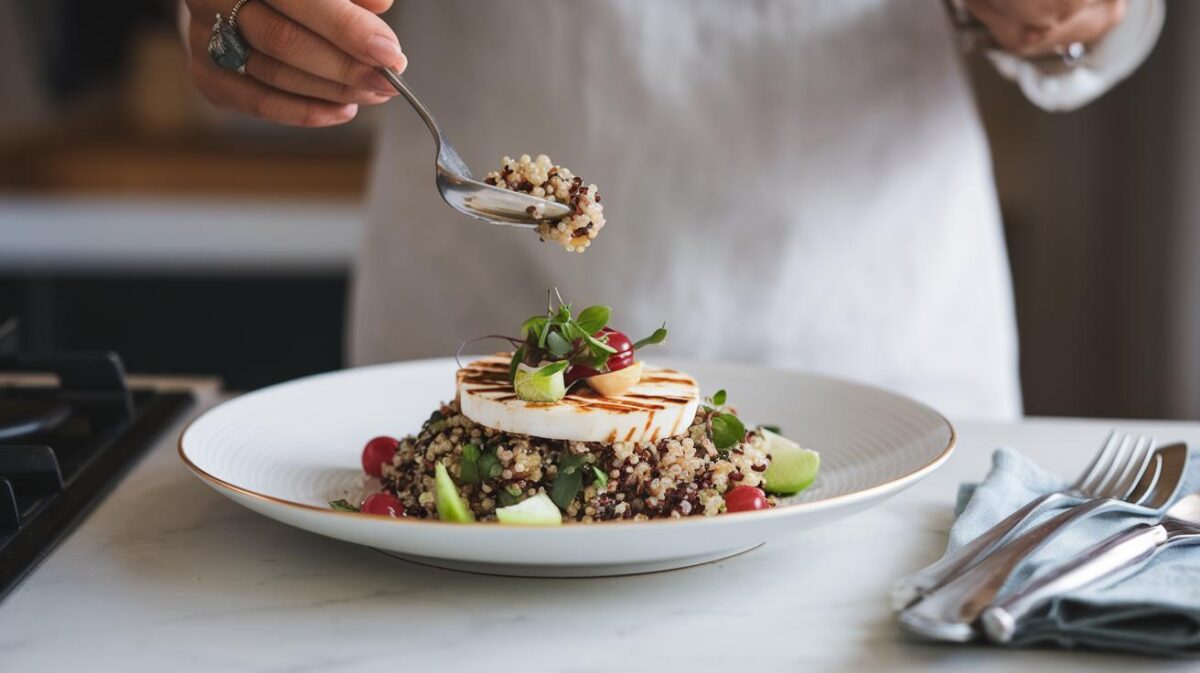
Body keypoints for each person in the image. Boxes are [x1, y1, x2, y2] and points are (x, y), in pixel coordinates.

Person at [181, 0, 1163, 420]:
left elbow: (1110, 17)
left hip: (871, 335)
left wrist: (1074, 19)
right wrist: (238, 19)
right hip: (470, 327)